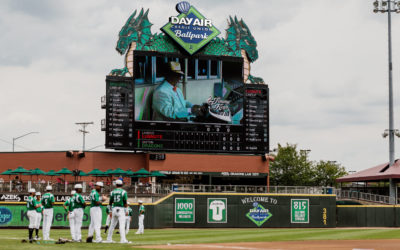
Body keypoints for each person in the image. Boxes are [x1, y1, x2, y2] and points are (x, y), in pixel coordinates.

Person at [104, 179, 130, 243]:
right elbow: (125, 202)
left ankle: (109, 239)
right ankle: (123, 239)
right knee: (122, 225)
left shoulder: (112, 192)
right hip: (120, 209)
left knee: (112, 225)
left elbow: (110, 203)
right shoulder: (123, 192)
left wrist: (110, 211)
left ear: (116, 185)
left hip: (114, 209)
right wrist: (126, 210)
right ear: (122, 184)